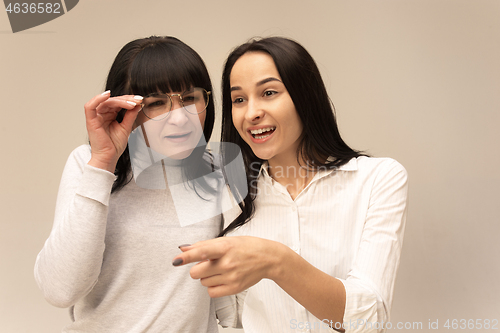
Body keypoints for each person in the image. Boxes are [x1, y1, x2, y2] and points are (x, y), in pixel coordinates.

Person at [173, 37, 409, 333]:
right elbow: (229, 317)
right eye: (239, 100)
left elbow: (367, 319)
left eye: (269, 92)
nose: (251, 114)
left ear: (305, 96)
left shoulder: (378, 179)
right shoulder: (231, 191)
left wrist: (276, 260)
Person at [34, 36, 223, 332]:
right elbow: (60, 290)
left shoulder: (217, 172)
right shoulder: (89, 163)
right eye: (157, 103)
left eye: (190, 98)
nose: (179, 118)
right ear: (126, 109)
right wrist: (103, 163)